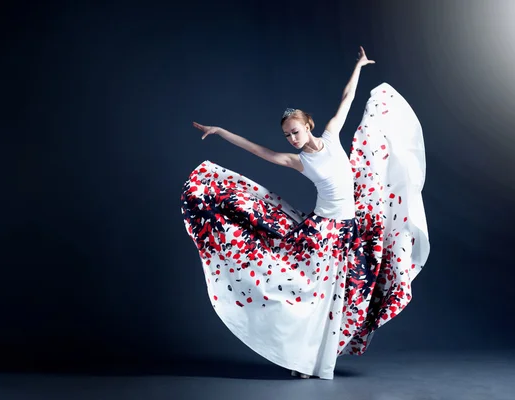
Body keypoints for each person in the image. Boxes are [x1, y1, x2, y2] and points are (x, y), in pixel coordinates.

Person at [182, 46, 430, 379]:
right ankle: (301, 361)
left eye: (295, 131)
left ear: (308, 125)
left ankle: (313, 359)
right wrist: (220, 132)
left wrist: (358, 65)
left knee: (345, 298)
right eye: (287, 135)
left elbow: (347, 98)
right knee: (314, 297)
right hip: (322, 233)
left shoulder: (331, 136)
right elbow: (257, 150)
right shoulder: (297, 160)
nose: (292, 138)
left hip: (349, 233)